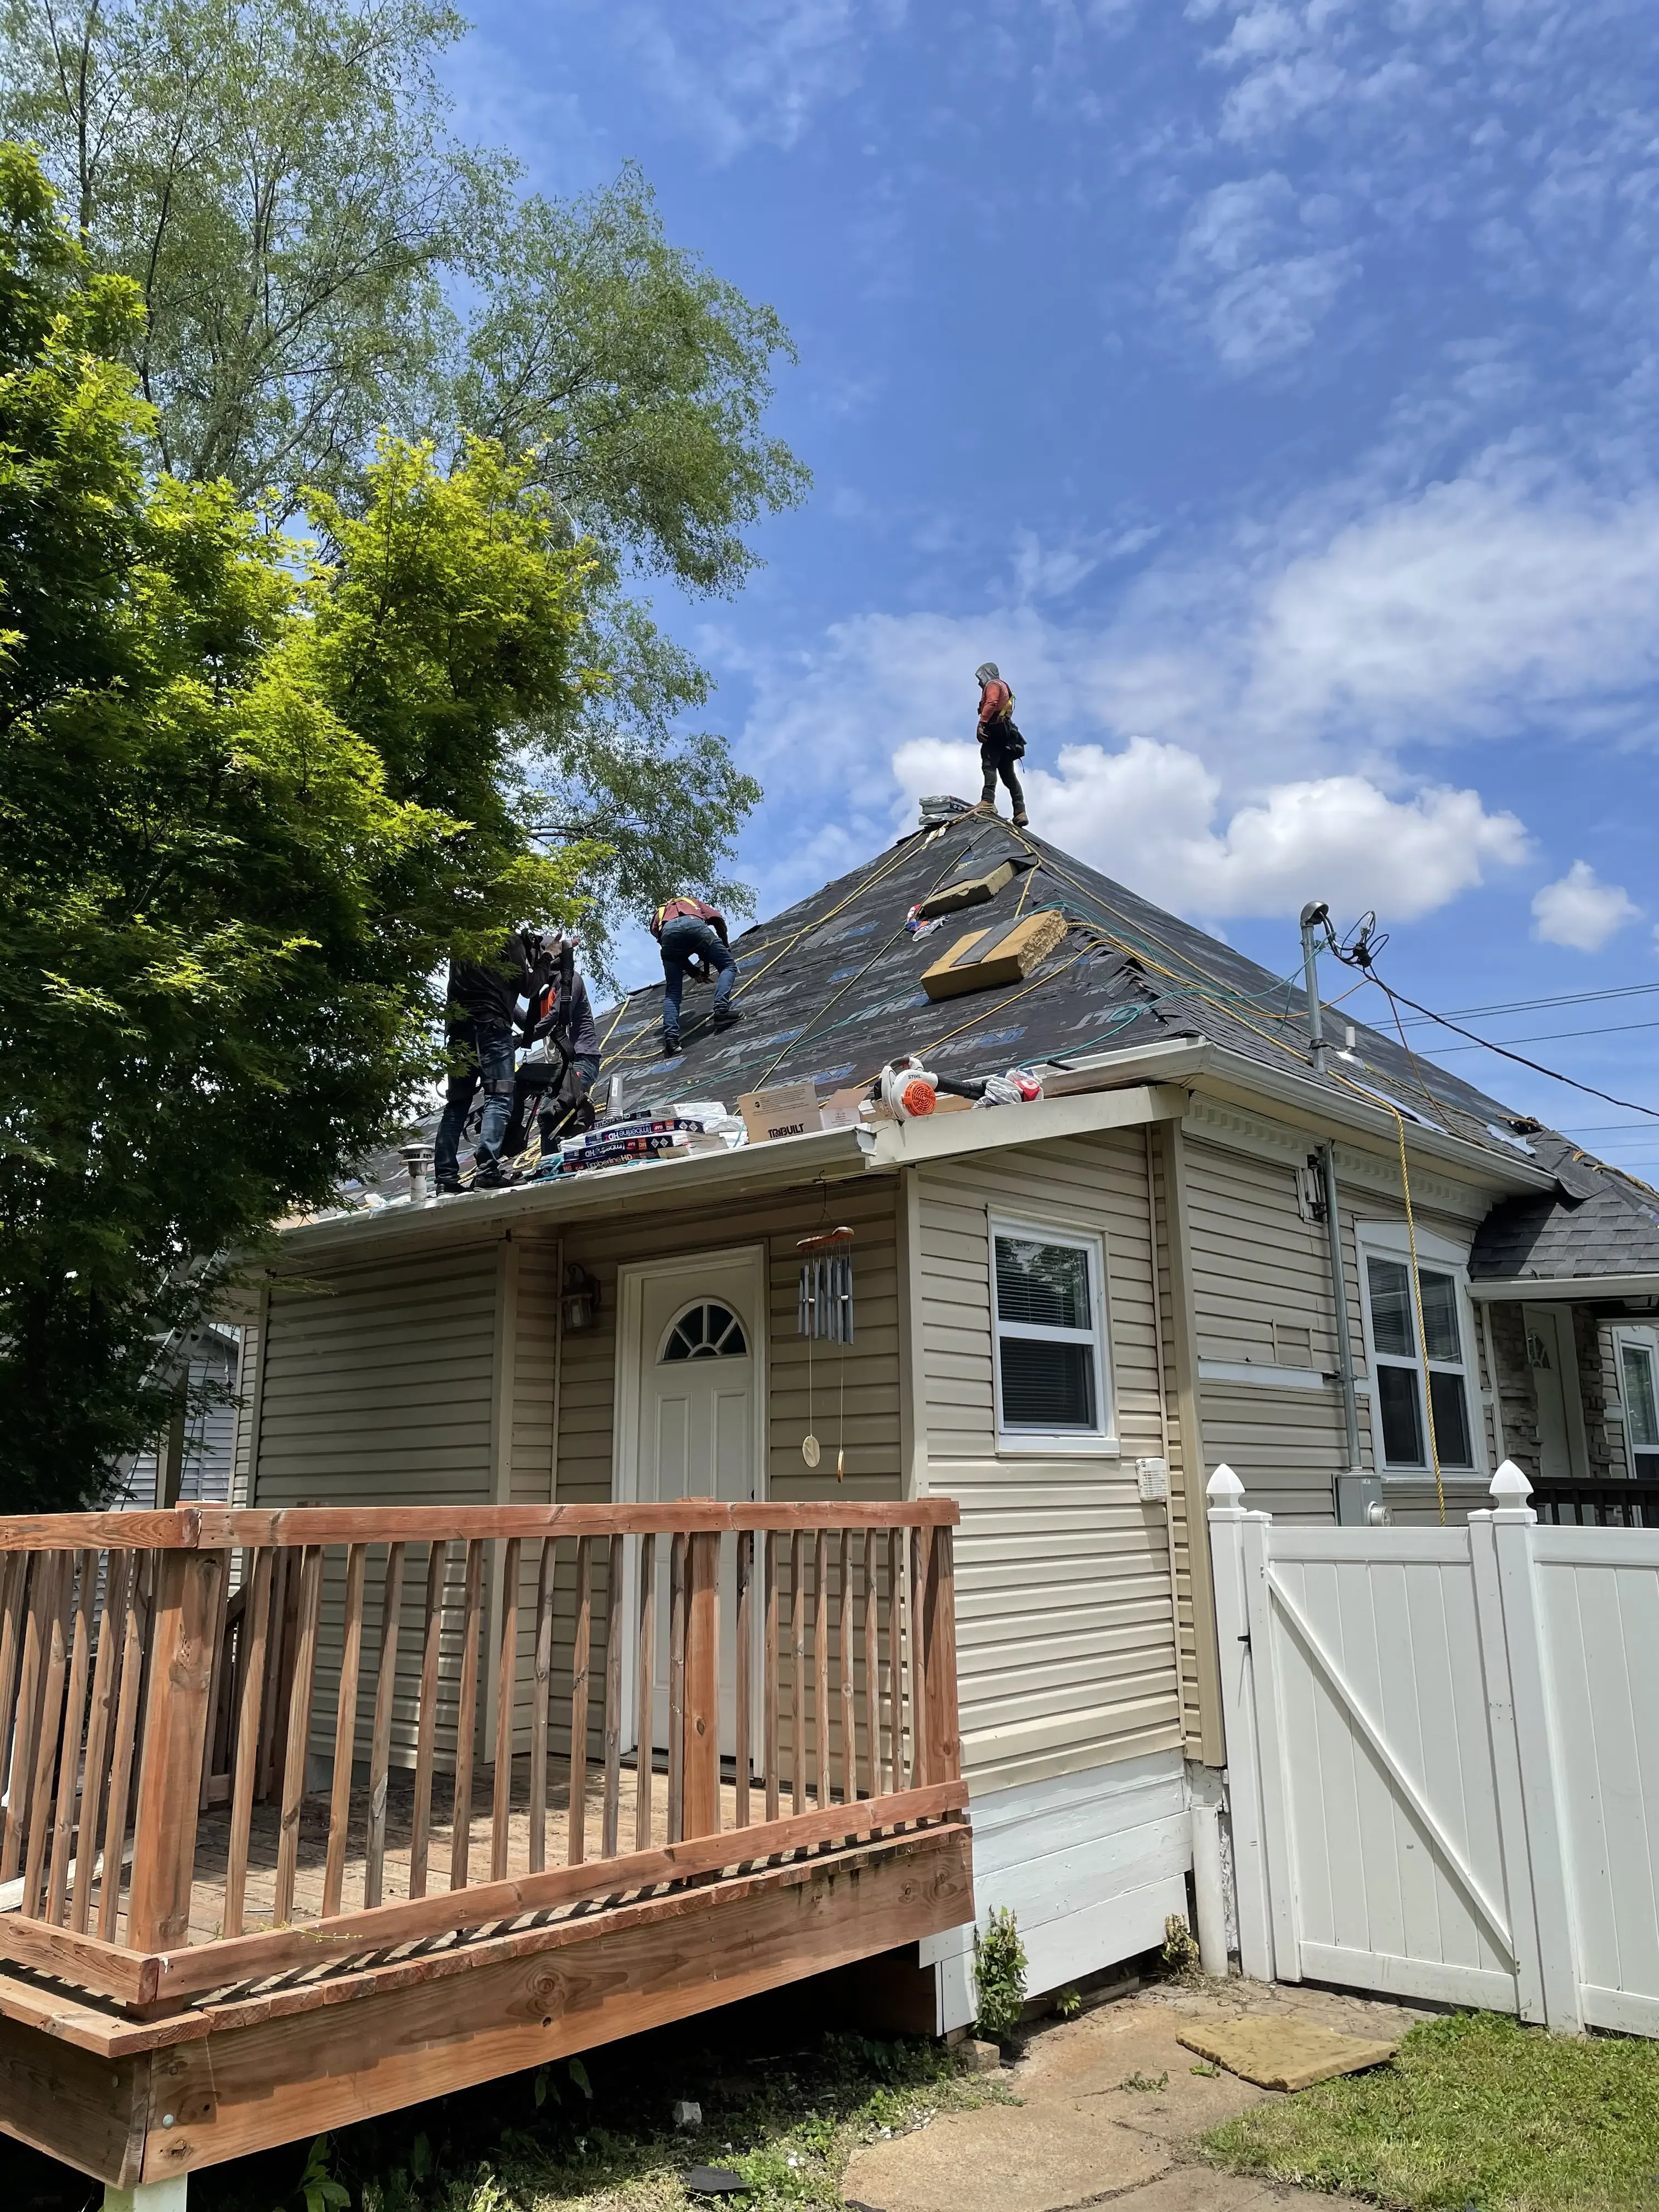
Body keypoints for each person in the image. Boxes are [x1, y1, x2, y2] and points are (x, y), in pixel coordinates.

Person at [433, 929, 540, 1193]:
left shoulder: (461, 941)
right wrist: (546, 958)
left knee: (457, 1104)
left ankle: (445, 1180)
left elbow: (506, 999)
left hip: (458, 1032)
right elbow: (529, 986)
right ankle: (487, 1171)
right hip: (490, 1029)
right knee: (500, 1096)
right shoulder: (507, 938)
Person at [500, 935, 601, 1161]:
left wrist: (522, 1039)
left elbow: (555, 1017)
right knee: (518, 1086)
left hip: (582, 1060)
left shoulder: (571, 980)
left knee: (553, 1114)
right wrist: (508, 995)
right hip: (559, 1066)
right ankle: (518, 1141)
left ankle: (563, 1163)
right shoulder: (545, 992)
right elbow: (530, 1024)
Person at [652, 895, 739, 1053]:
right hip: (695, 927)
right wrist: (725, 947)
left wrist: (693, 971)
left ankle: (671, 1041)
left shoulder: (659, 913)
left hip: (669, 937)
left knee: (672, 993)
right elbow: (718, 919)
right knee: (728, 966)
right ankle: (721, 1011)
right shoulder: (691, 901)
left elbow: (673, 951)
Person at [974, 661, 1029, 827]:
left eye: (980, 677)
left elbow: (991, 703)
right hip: (1006, 734)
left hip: (996, 731)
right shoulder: (1006, 687)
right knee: (1008, 774)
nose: (979, 682)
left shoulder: (993, 685)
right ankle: (1020, 811)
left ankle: (987, 801)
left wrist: (982, 723)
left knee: (989, 764)